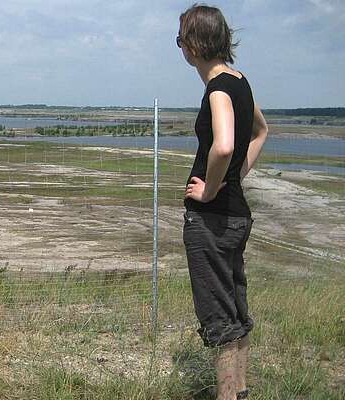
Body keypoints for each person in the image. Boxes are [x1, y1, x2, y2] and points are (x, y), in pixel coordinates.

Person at [177, 4, 268, 400]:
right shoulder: (240, 80)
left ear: (194, 45)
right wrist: (235, 176)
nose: (180, 46)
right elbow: (261, 132)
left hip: (212, 220)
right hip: (236, 215)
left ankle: (227, 396)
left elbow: (225, 144)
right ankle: (241, 392)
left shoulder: (217, 88)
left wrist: (211, 188)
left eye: (181, 39)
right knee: (236, 310)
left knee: (219, 318)